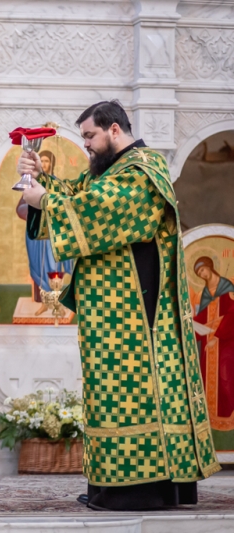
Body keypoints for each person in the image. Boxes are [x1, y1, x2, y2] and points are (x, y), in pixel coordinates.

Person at [18, 100, 220, 511]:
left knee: (129, 390)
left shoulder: (143, 169)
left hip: (135, 312)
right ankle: (109, 485)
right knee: (106, 390)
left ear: (114, 130)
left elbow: (104, 210)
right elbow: (82, 194)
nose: (87, 146)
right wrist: (43, 180)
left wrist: (45, 201)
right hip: (109, 308)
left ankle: (138, 489)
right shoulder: (112, 171)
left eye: (90, 136)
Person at [15, 150, 73, 315]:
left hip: (51, 236)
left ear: (52, 164)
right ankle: (42, 301)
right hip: (35, 237)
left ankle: (56, 302)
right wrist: (35, 209)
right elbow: (19, 209)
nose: (45, 164)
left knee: (53, 265)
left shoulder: (57, 185)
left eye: (48, 161)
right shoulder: (31, 185)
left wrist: (48, 206)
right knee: (36, 266)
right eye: (43, 161)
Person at [193, 256, 234, 448]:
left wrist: (217, 335)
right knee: (209, 381)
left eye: (202, 270)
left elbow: (232, 313)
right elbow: (201, 316)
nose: (202, 274)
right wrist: (192, 323)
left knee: (226, 379)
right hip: (209, 347)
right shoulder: (205, 293)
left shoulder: (226, 287)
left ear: (210, 267)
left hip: (226, 343)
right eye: (198, 273)